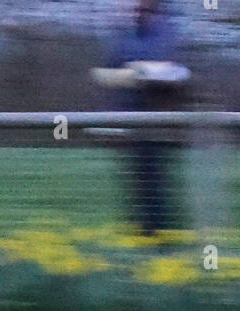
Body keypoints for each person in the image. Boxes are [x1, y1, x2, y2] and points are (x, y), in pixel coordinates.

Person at [92, 0, 191, 234]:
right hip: (132, 121)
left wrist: (151, 74)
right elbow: (110, 71)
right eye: (137, 9)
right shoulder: (125, 36)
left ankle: (158, 235)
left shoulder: (168, 34)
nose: (138, 13)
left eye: (144, 9)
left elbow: (178, 71)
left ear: (155, 10)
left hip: (159, 121)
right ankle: (144, 233)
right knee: (138, 183)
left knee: (156, 183)